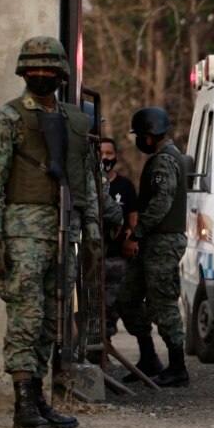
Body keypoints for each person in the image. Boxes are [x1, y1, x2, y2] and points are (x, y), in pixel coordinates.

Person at [0, 36, 98, 428]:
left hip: (65, 232)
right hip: (23, 236)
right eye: (35, 70)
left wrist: (92, 229)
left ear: (62, 74)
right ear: (24, 73)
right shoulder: (7, 119)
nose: (42, 76)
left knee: (52, 319)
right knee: (26, 318)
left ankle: (41, 398)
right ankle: (23, 402)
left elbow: (86, 183)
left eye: (49, 70)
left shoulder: (75, 121)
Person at [116, 106, 190, 388]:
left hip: (163, 242)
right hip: (152, 241)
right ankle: (149, 358)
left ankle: (178, 367)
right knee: (127, 298)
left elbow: (161, 202)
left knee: (163, 303)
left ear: (148, 136)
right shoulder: (163, 158)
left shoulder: (164, 161)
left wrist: (137, 232)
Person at [97, 139, 141, 366]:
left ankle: (108, 350)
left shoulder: (124, 186)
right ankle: (99, 354)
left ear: (116, 156)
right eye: (101, 152)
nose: (105, 157)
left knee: (114, 307)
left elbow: (133, 219)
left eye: (109, 152)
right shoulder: (92, 185)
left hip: (117, 258)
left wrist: (132, 238)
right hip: (94, 257)